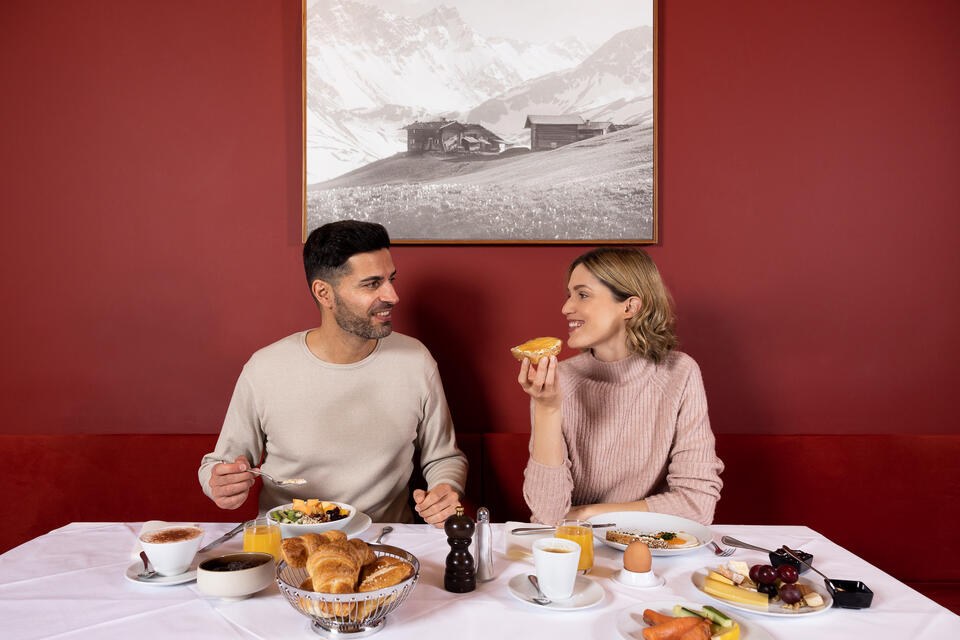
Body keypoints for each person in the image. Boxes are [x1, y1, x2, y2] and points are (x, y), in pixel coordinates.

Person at [198, 220, 467, 526]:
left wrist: (445, 488)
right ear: (324, 293)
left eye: (391, 279)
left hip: (384, 542)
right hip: (290, 542)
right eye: (372, 284)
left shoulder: (416, 361)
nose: (393, 296)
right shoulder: (264, 369)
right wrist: (218, 483)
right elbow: (218, 465)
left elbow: (445, 458)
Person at [518, 248, 723, 525]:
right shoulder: (558, 380)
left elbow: (696, 505)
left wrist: (589, 512)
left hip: (649, 546)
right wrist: (546, 409)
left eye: (583, 294)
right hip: (576, 548)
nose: (566, 308)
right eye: (569, 295)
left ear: (629, 307)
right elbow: (547, 514)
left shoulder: (679, 373)